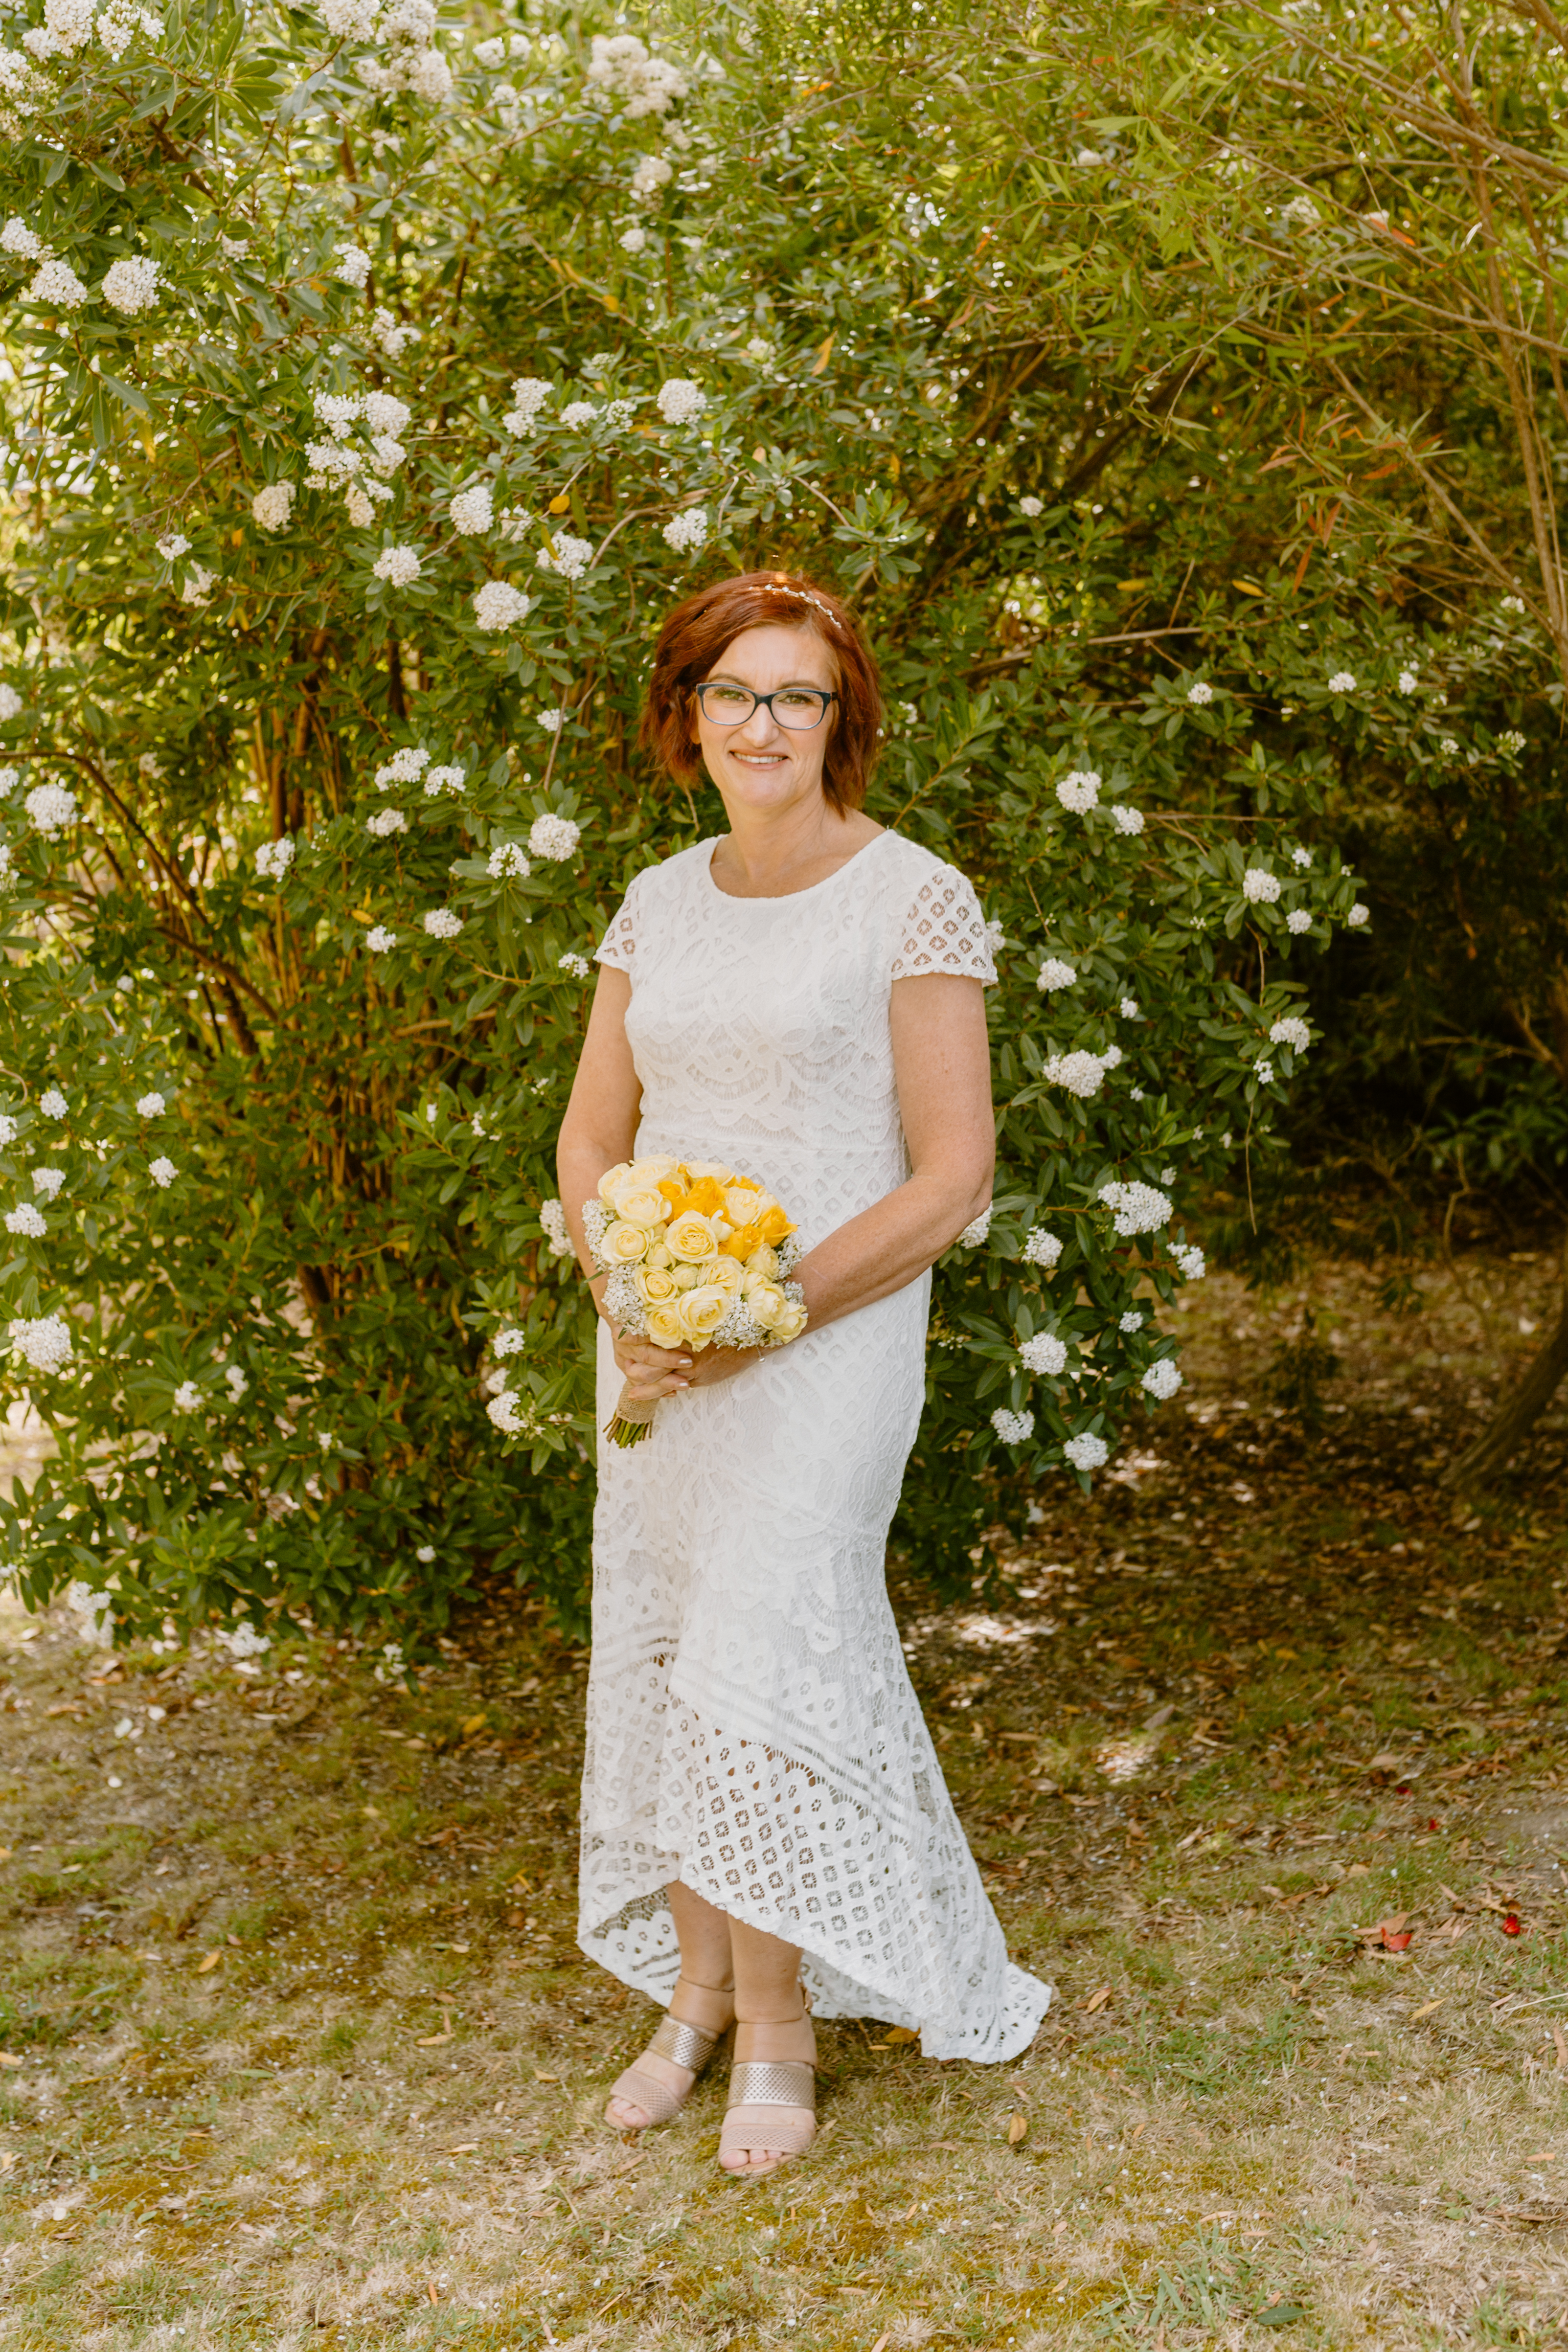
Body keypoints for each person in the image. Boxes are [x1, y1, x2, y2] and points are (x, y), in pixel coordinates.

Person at [556, 569, 1051, 2180]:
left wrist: (757, 1311)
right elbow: (590, 1137)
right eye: (733, 693)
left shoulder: (911, 896)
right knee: (678, 1647)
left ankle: (776, 2029)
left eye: (798, 697)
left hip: (828, 1335)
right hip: (657, 1339)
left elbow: (949, 1176)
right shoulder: (654, 898)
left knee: (765, 1638)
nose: (763, 724)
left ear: (843, 721)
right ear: (684, 714)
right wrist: (625, 1283)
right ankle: (696, 1993)